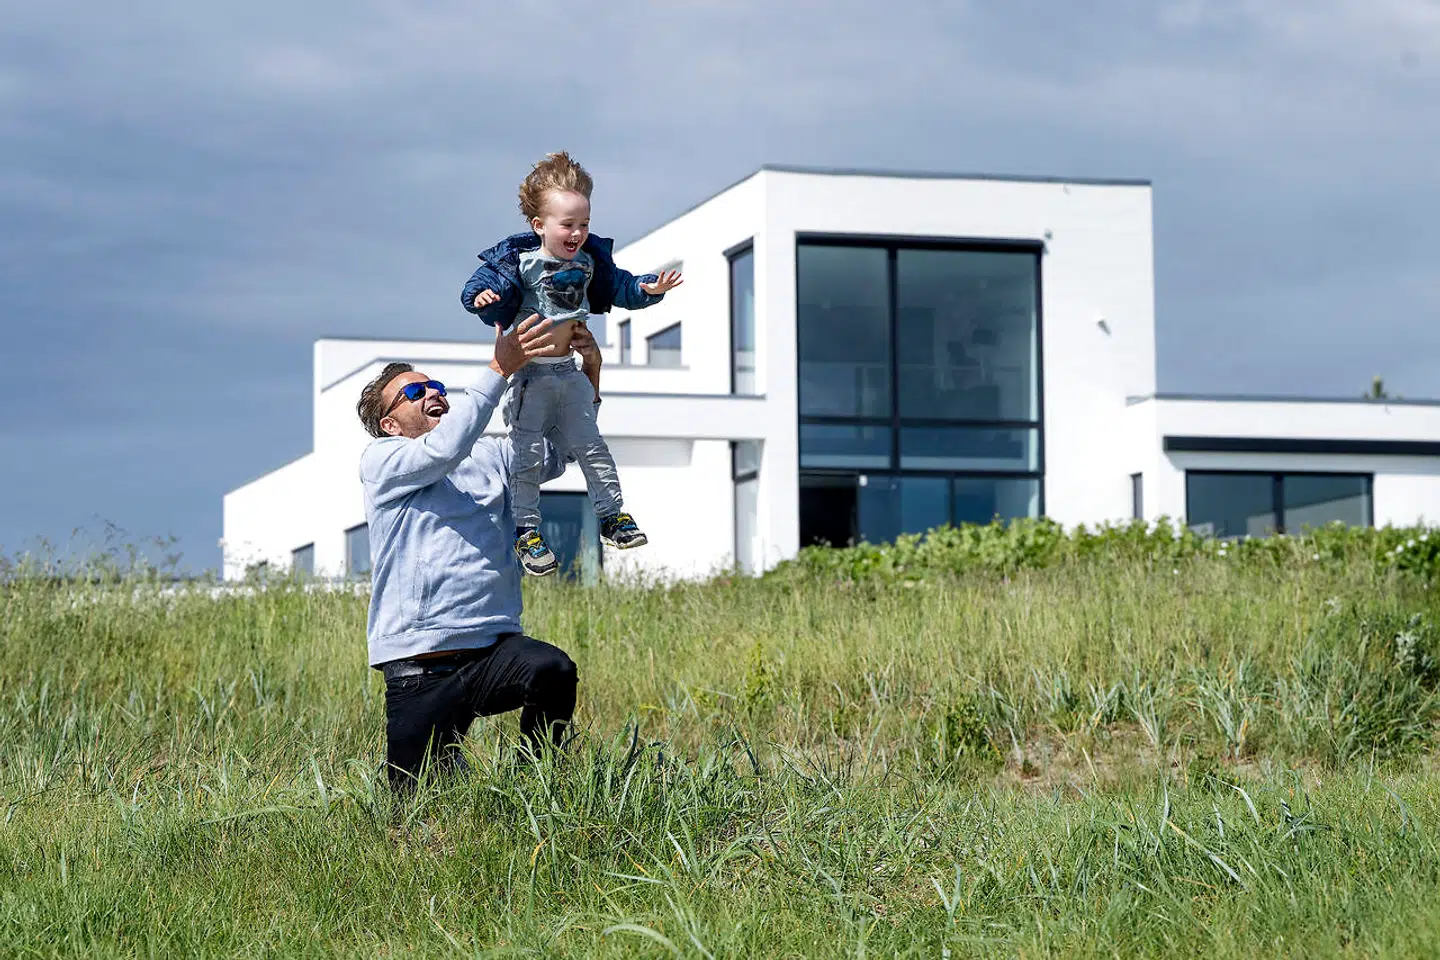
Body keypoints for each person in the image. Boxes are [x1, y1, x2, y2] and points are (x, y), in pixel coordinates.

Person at [354, 315, 600, 788]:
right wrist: (499, 367)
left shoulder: (489, 455)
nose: (432, 394)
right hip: (421, 664)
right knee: (416, 807)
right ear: (389, 424)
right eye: (413, 392)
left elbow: (561, 450)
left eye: (435, 386)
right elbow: (442, 451)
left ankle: (538, 786)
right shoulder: (383, 462)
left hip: (492, 649)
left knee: (552, 669)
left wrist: (585, 373)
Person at [460, 151, 683, 577]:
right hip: (531, 378)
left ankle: (612, 516)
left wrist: (649, 289)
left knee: (593, 449)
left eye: (584, 224)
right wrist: (482, 299)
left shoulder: (589, 261)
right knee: (525, 455)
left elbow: (623, 287)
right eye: (568, 225)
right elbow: (481, 286)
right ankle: (526, 529)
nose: (578, 233)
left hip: (569, 371)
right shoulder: (519, 263)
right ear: (538, 226)